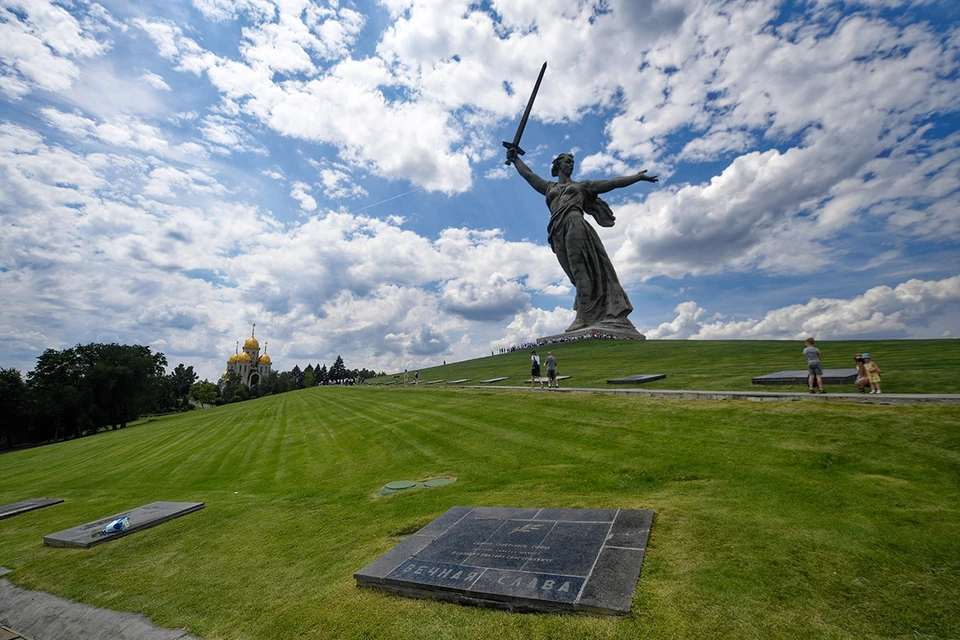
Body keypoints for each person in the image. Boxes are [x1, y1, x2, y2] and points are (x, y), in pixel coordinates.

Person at [506, 147, 657, 333]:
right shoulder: (549, 188)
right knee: (574, 275)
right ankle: (591, 311)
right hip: (556, 231)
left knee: (579, 269)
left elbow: (612, 183)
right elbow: (528, 175)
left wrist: (637, 177)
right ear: (558, 165)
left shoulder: (581, 186)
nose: (571, 166)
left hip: (575, 223)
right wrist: (515, 160)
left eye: (572, 163)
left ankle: (583, 317)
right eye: (567, 162)